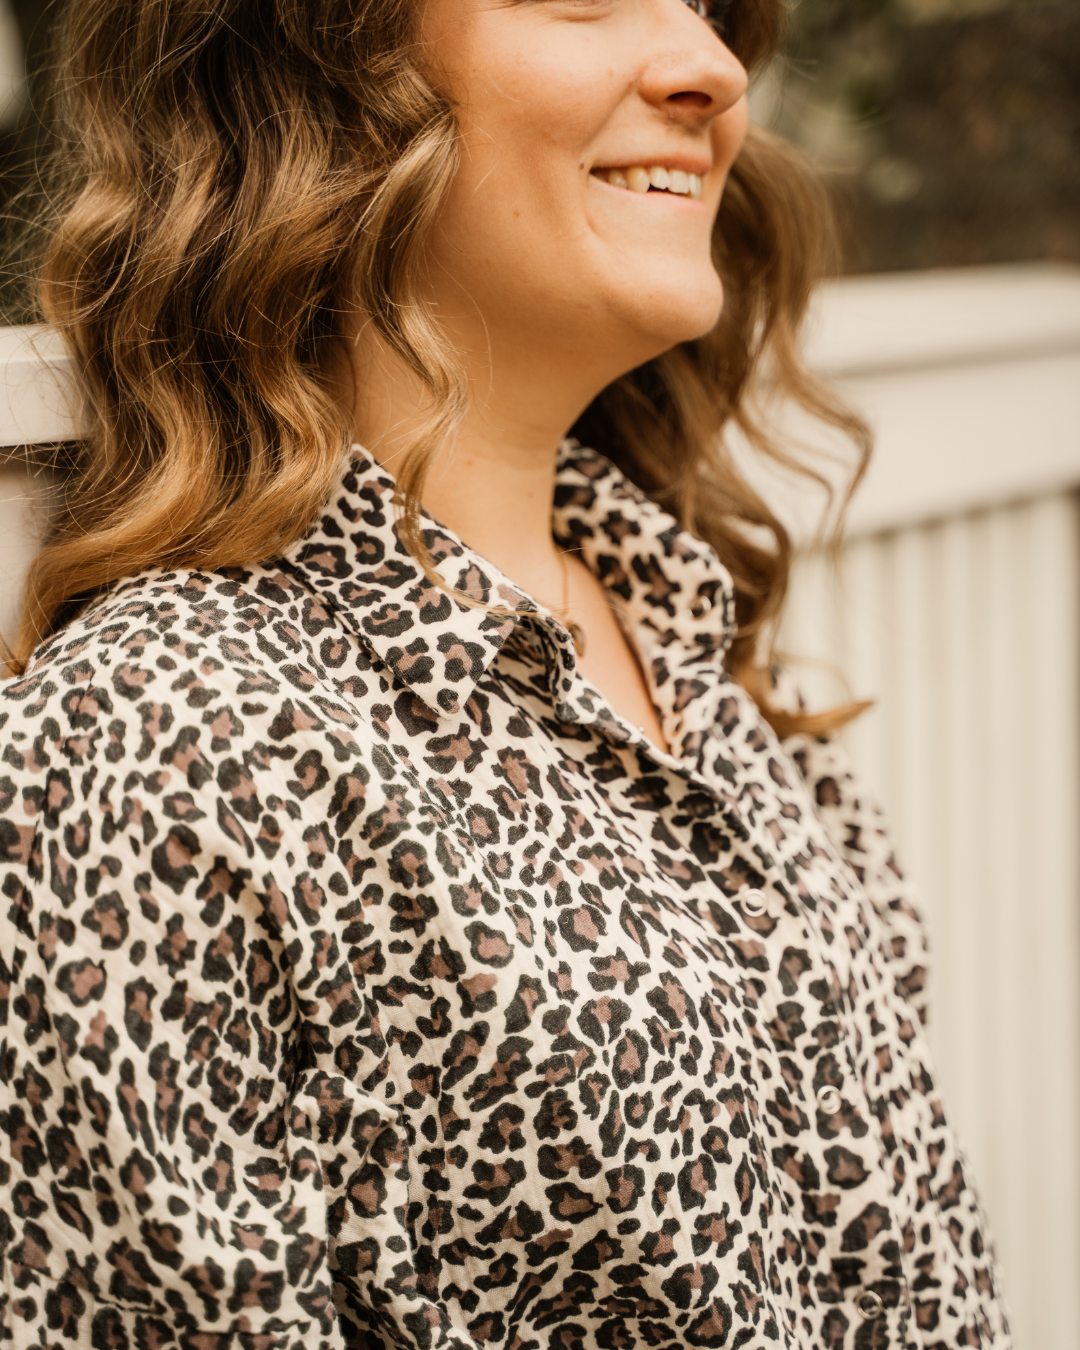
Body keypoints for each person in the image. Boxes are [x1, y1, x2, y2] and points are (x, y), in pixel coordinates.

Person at [0, 0, 1010, 1347]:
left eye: (707, 3)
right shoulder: (165, 739)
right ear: (322, 67)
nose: (713, 67)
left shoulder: (690, 645)